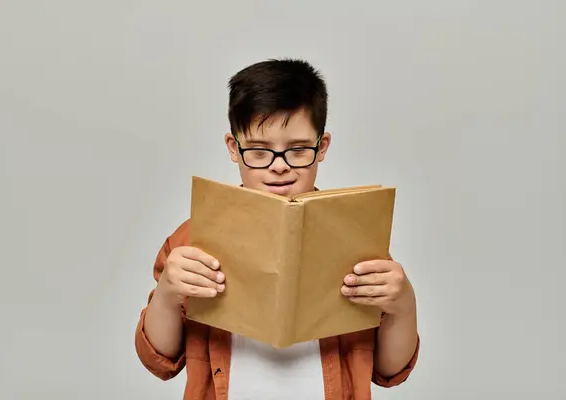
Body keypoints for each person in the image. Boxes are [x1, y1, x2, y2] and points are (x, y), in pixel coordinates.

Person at [135, 58, 420, 399]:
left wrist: (404, 305)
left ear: (322, 147)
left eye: (298, 150)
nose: (279, 168)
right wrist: (167, 296)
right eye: (259, 151)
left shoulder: (356, 237)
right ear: (233, 148)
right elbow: (158, 358)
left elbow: (389, 370)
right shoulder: (193, 238)